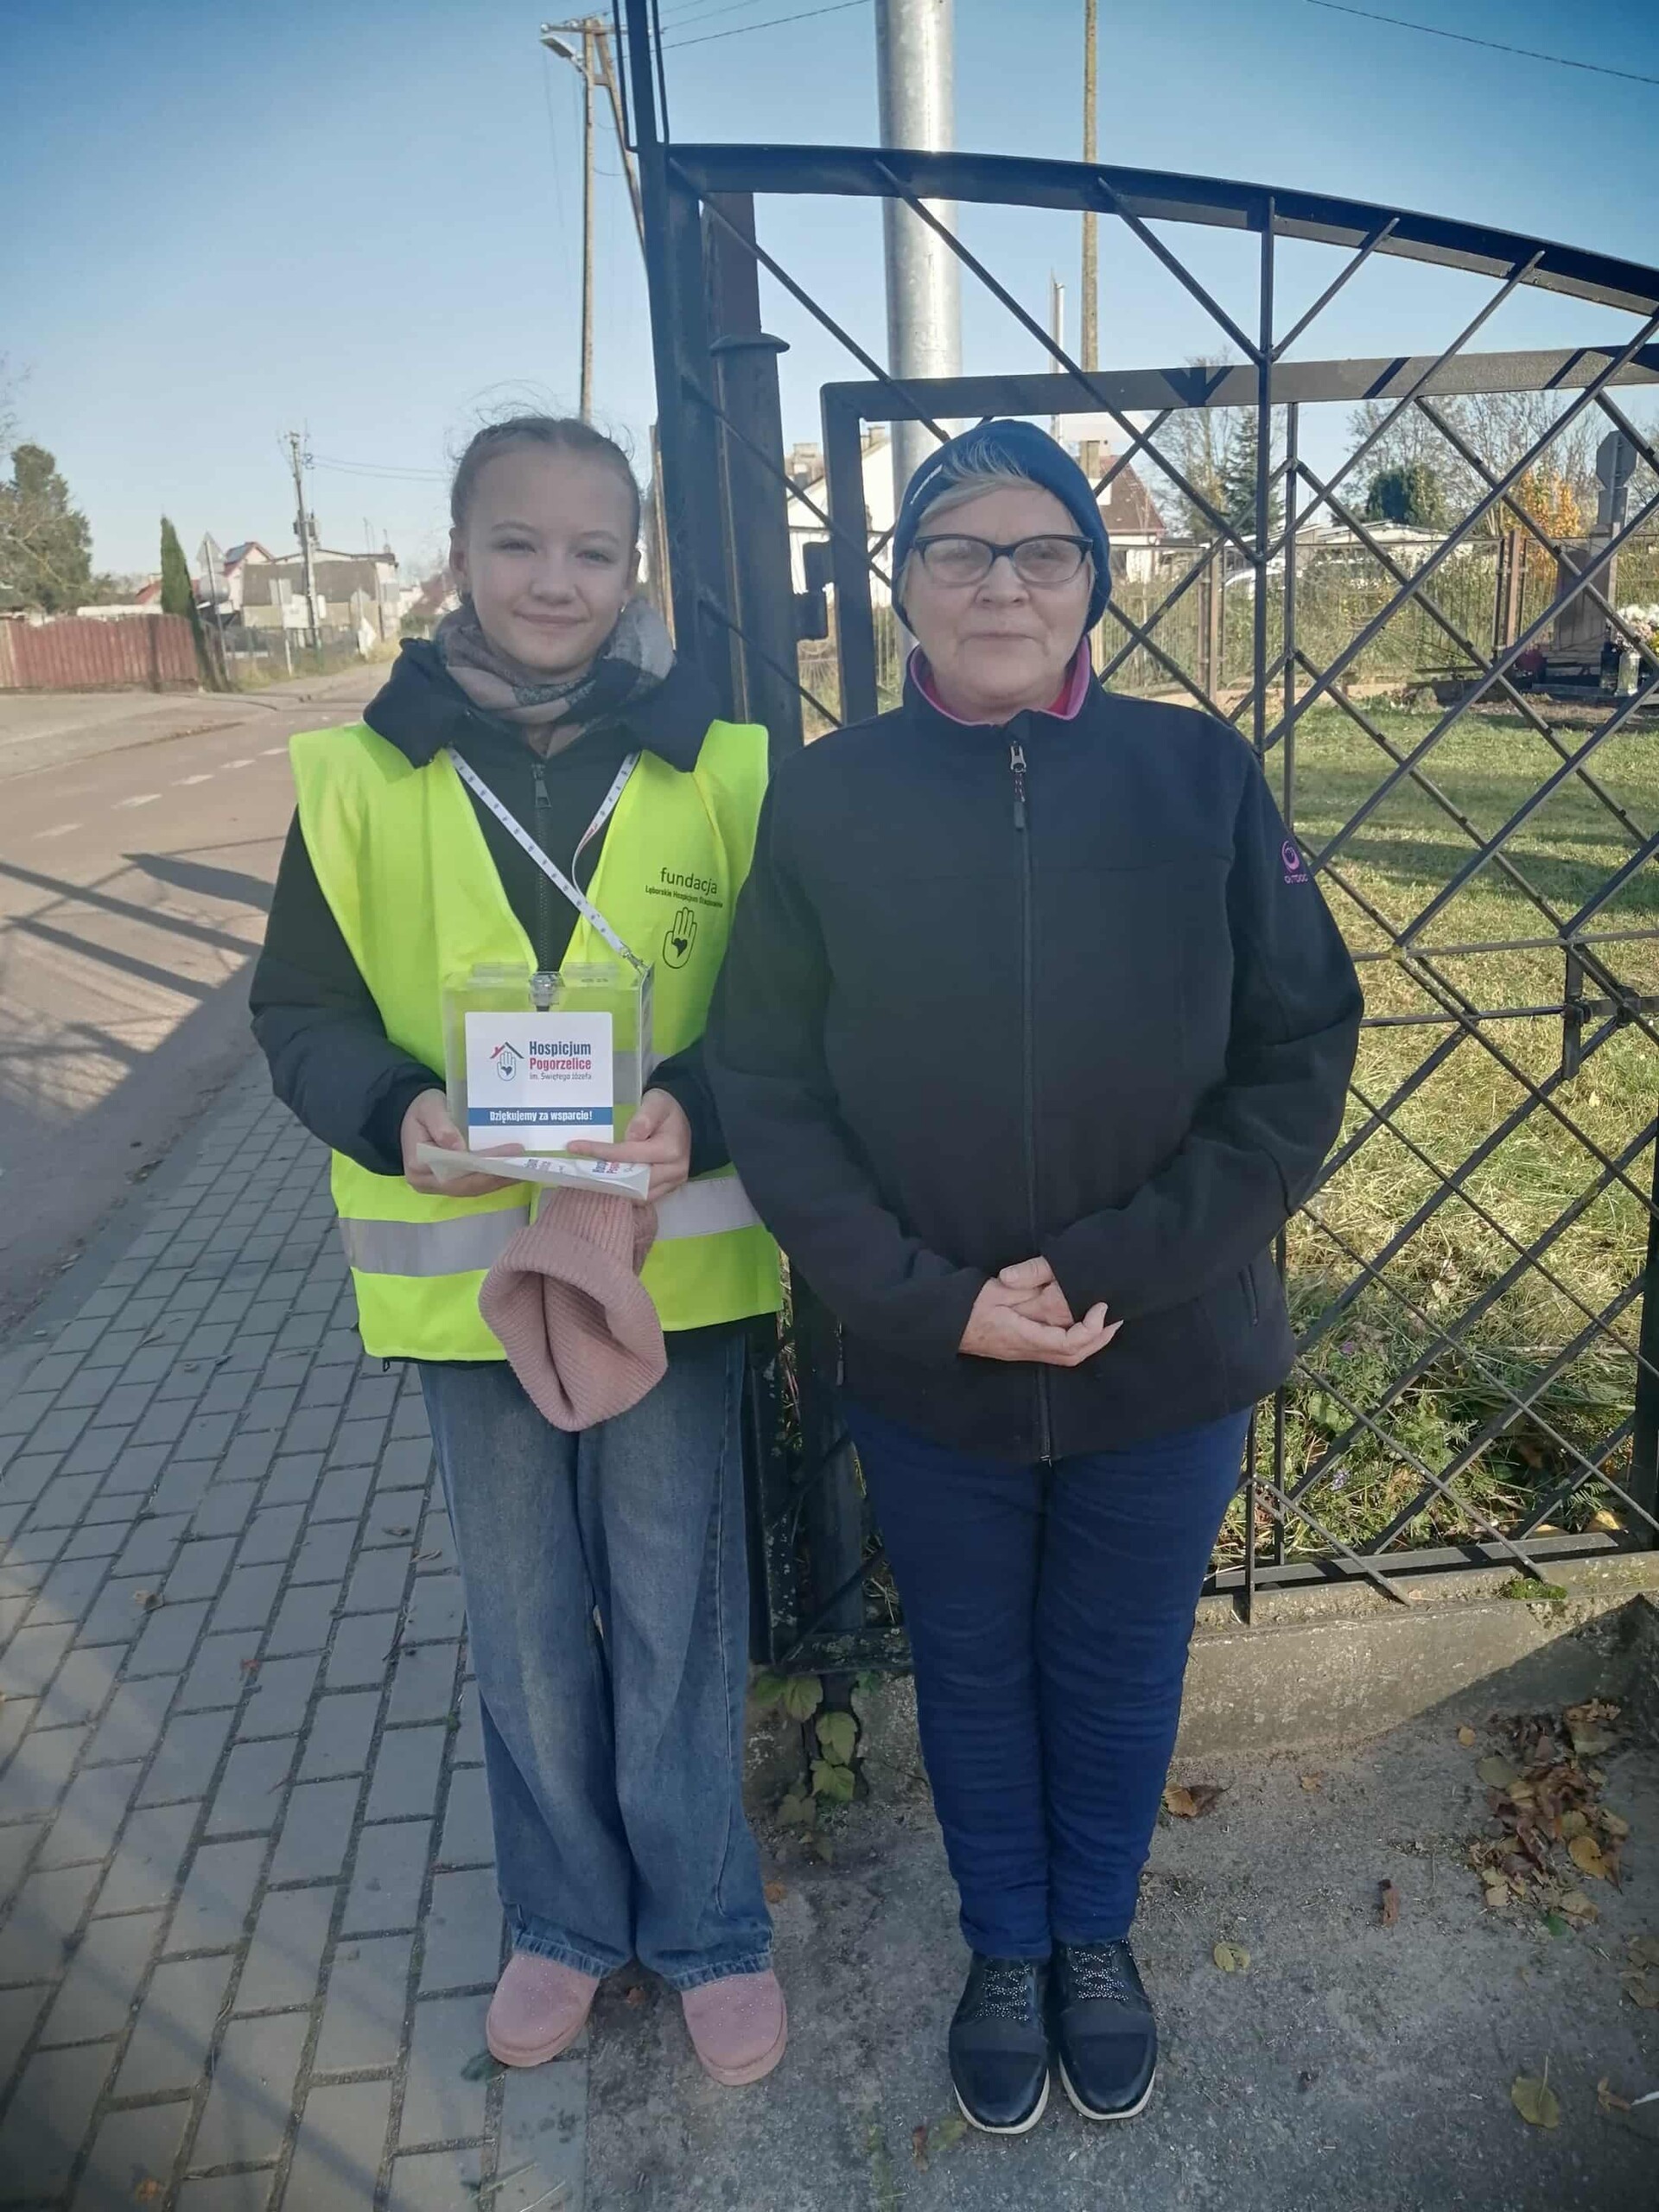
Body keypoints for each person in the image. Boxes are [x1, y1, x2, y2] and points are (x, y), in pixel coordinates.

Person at [705, 418, 1361, 2133]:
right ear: (904, 586)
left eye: (1042, 551)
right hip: (933, 1360)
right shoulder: (826, 798)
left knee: (1122, 1669)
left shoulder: (1195, 774)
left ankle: (1095, 1940)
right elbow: (767, 1079)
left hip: (1165, 1348)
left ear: (1094, 580)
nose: (1002, 584)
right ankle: (1006, 1946)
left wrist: (1116, 1268)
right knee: (975, 1674)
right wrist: (928, 1297)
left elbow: (1300, 1047)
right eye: (959, 551)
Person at [250, 415, 789, 2087]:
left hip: (670, 1273)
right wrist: (392, 1110)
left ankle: (708, 1929)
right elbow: (299, 1010)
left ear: (636, 570)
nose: (557, 581)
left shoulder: (726, 765)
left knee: (678, 1605)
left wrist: (703, 1107)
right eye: (518, 544)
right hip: (466, 1285)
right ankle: (561, 1922)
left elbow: (794, 1003)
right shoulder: (356, 779)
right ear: (457, 558)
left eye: (593, 551)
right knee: (525, 1618)